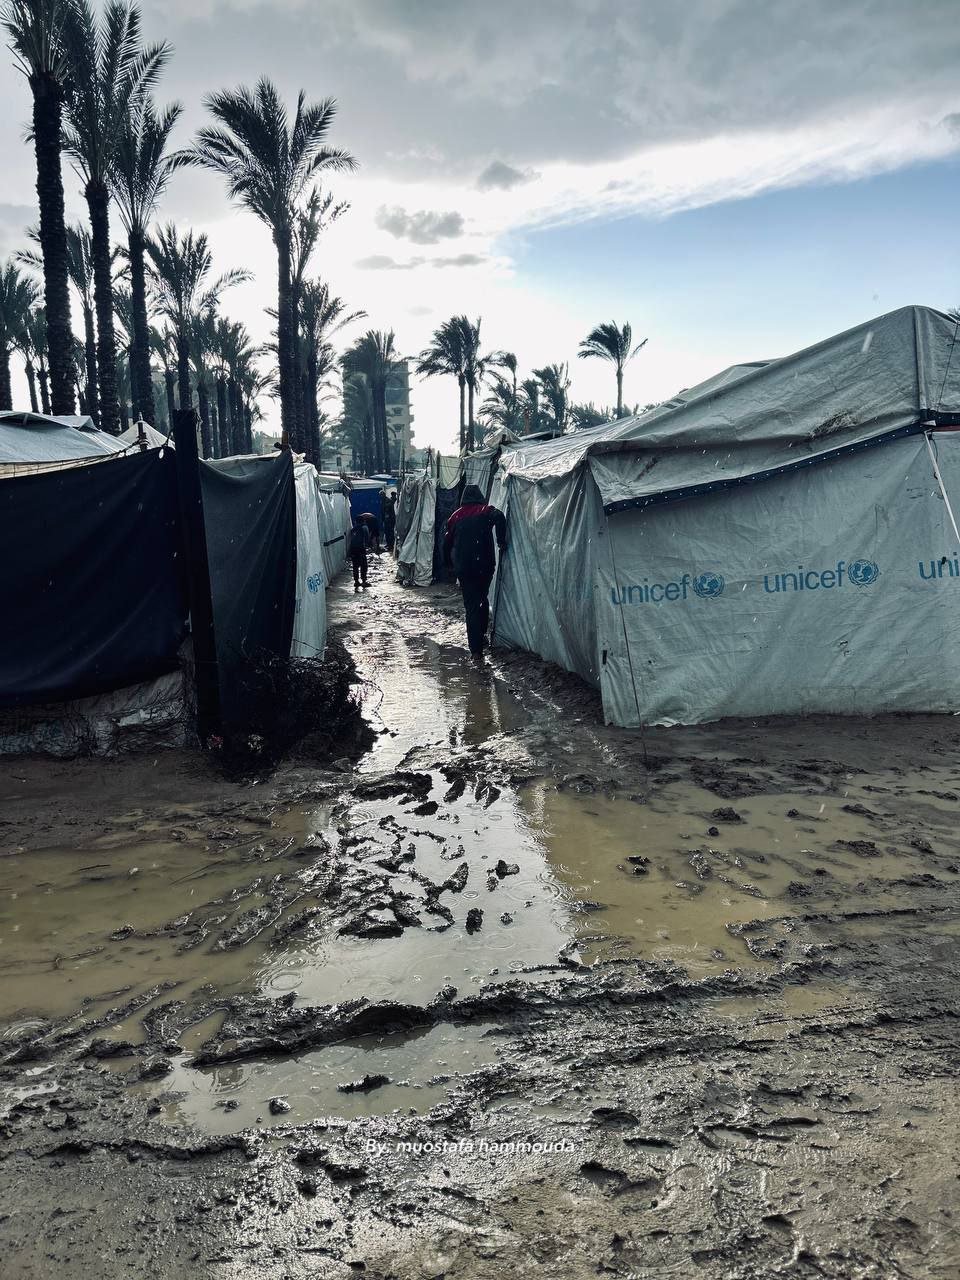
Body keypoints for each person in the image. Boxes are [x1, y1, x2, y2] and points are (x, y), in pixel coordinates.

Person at [444, 483, 507, 659]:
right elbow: (500, 517)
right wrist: (501, 541)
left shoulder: (455, 517)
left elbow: (446, 544)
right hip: (485, 565)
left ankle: (476, 650)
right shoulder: (486, 510)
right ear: (479, 496)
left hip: (464, 568)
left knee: (471, 606)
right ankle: (483, 635)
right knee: (482, 598)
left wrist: (449, 565)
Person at [347, 518, 372, 590]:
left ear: (356, 521)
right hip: (361, 548)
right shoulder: (364, 527)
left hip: (353, 549)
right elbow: (367, 538)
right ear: (364, 521)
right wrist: (369, 546)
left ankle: (356, 581)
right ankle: (364, 581)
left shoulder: (353, 529)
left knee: (355, 566)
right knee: (363, 565)